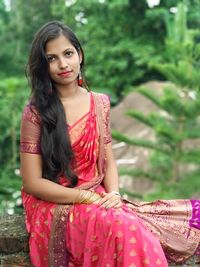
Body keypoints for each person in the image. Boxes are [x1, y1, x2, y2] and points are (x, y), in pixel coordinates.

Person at [19, 21, 198, 267]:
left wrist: (113, 193)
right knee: (125, 228)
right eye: (52, 58)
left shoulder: (100, 103)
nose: (63, 64)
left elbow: (108, 160)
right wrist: (84, 197)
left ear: (79, 55)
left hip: (97, 195)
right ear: (43, 65)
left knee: (137, 225)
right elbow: (32, 183)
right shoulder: (36, 112)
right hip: (55, 202)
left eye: (68, 54)